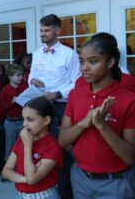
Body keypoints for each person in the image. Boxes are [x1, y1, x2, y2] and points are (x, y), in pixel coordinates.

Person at [59, 34, 135, 198]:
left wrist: (102, 125)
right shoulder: (75, 95)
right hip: (80, 178)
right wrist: (83, 123)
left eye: (93, 61)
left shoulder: (129, 100)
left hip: (115, 183)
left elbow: (130, 157)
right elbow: (63, 140)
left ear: (110, 62)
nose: (84, 67)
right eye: (81, 61)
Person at [29, 14, 81, 199]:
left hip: (60, 107)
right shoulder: (36, 53)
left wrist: (57, 94)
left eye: (46, 30)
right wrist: (32, 80)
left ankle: (66, 193)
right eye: (41, 30)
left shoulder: (70, 54)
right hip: (40, 106)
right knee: (42, 149)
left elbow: (77, 82)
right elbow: (31, 77)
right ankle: (46, 190)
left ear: (57, 31)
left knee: (62, 151)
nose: (42, 34)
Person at [2, 96, 63, 199]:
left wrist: (28, 146)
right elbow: (6, 171)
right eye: (24, 119)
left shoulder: (52, 147)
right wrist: (24, 179)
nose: (25, 124)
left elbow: (32, 179)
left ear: (46, 120)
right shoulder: (23, 139)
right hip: (20, 195)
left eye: (30, 120)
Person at [0, 64, 28, 161]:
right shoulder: (5, 90)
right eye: (18, 75)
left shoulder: (24, 88)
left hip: (23, 121)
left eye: (21, 75)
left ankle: (22, 170)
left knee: (24, 147)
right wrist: (12, 102)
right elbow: (2, 107)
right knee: (10, 148)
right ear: (10, 76)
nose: (21, 77)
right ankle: (8, 173)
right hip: (10, 123)